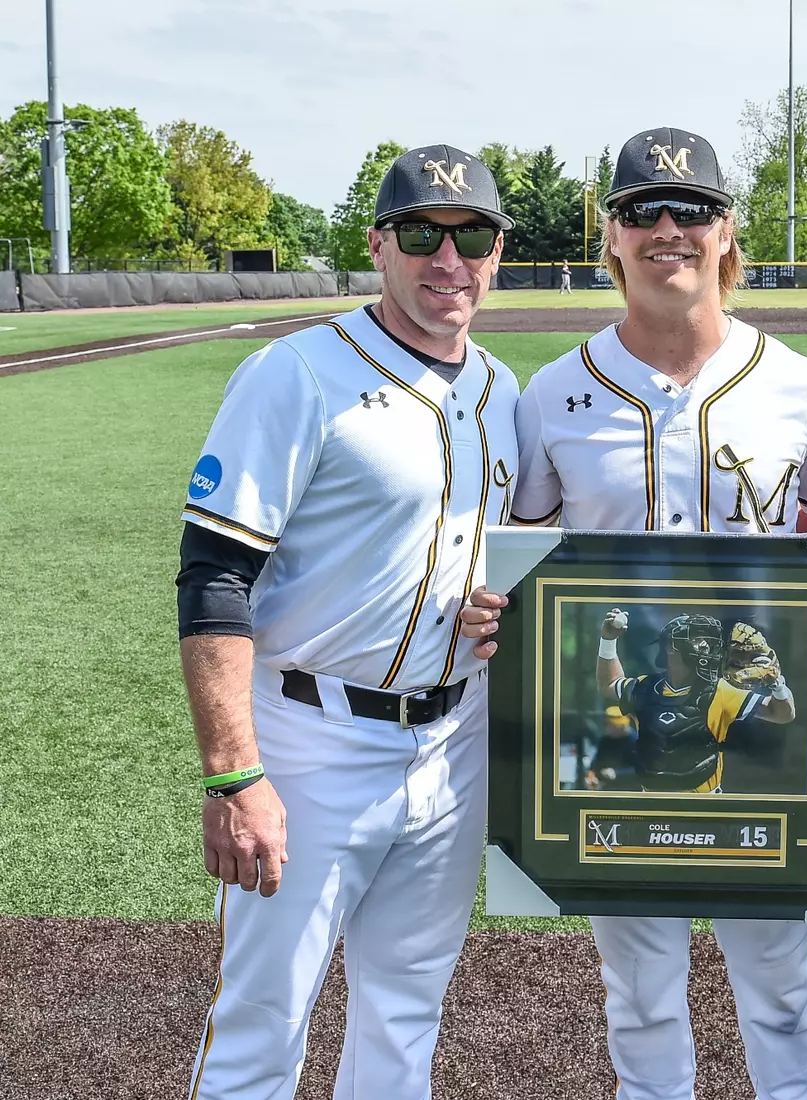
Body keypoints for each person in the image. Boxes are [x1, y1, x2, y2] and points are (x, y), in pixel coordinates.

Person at [459, 125, 807, 1100]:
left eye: (691, 209)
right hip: (616, 737)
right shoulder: (555, 392)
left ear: (725, 229)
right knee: (642, 992)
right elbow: (528, 563)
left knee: (785, 983)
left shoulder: (797, 384)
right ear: (610, 235)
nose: (668, 227)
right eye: (641, 210)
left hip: (760, 741)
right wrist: (498, 608)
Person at [175, 144, 517, 1099]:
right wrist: (235, 773)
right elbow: (213, 578)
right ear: (379, 244)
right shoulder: (296, 374)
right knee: (262, 1019)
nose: (447, 261)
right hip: (310, 738)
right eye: (422, 234)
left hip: (455, 742)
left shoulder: (503, 391)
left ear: (497, 251)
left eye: (472, 237)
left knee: (406, 1015)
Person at [596, 609, 794, 792]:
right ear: (672, 647)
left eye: (707, 641)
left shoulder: (721, 690)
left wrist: (777, 684)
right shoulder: (644, 688)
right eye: (698, 639)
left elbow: (782, 714)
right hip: (653, 807)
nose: (706, 647)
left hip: (704, 810)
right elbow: (609, 684)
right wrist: (608, 640)